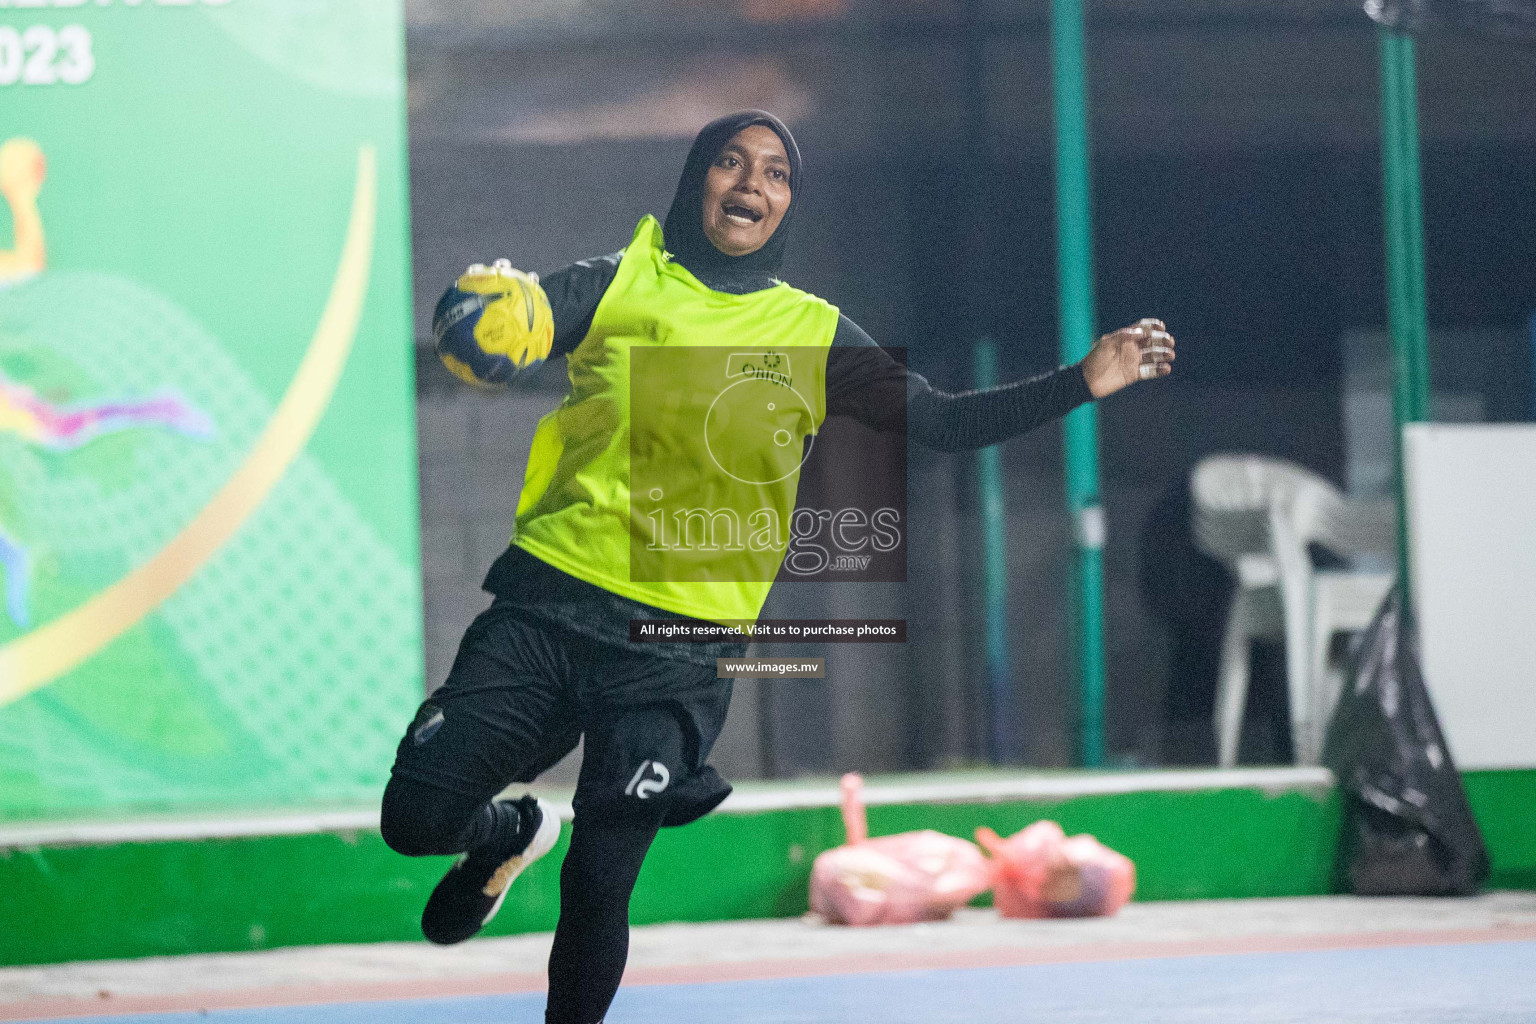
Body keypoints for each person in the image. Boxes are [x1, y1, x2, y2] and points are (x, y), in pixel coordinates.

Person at [381, 110, 1173, 1024]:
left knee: (600, 876)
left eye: (776, 173)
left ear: (788, 203)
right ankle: (504, 833)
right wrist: (495, 312)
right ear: (696, 181)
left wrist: (1081, 380)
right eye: (730, 162)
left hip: (681, 645)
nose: (751, 183)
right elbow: (521, 320)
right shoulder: (617, 281)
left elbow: (944, 421)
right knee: (416, 819)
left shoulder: (815, 333)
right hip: (548, 604)